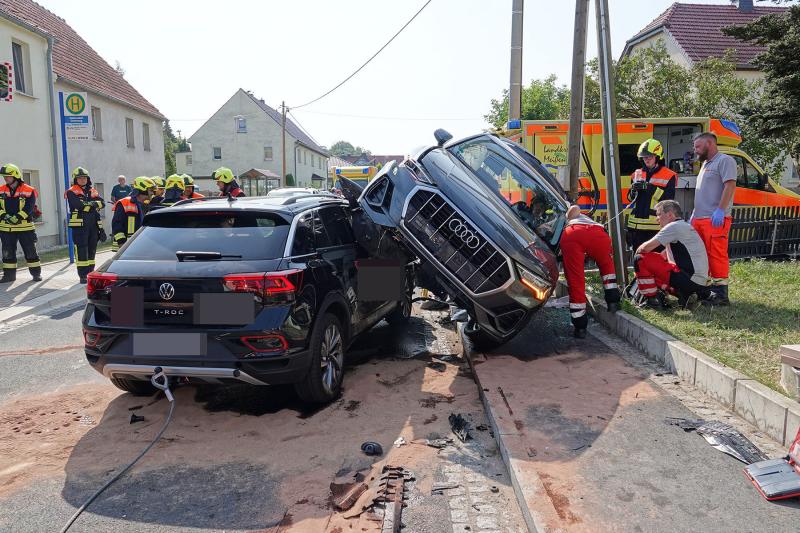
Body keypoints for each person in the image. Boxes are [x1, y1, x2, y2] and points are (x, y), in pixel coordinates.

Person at [634, 200, 710, 309]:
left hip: (690, 279)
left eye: (659, 214)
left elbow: (644, 249)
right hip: (697, 281)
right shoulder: (682, 226)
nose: (657, 219)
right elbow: (663, 257)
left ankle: (653, 301)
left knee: (640, 259)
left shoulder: (673, 227)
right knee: (656, 261)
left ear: (670, 215)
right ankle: (685, 294)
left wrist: (638, 269)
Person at [560, 205, 621, 338]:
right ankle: (613, 302)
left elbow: (574, 208)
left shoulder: (566, 212)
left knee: (575, 280)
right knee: (607, 267)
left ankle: (580, 327)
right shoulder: (590, 220)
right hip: (599, 234)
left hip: (573, 234)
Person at [691, 132, 737, 306]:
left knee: (716, 255)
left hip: (714, 219)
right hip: (700, 218)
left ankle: (720, 294)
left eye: (698, 146)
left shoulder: (724, 161)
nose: (695, 150)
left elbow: (730, 185)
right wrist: (695, 214)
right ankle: (707, 290)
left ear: (710, 143)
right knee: (701, 256)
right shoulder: (705, 164)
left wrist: (720, 210)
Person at [626, 138, 677, 254]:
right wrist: (634, 190)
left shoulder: (669, 175)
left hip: (655, 227)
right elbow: (630, 199)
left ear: (657, 156)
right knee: (638, 260)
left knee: (656, 261)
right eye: (644, 157)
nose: (646, 159)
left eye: (649, 156)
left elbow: (668, 200)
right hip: (636, 227)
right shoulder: (636, 174)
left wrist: (650, 188)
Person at [0, 163, 41, 282]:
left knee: (30, 252)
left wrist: (17, 217)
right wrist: (5, 216)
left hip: (25, 228)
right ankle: (9, 276)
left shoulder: (29, 190)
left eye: (8, 176)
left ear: (16, 175)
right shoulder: (1, 190)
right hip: (6, 228)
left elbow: (29, 207)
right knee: (7, 253)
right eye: (4, 176)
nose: (6, 178)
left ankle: (36, 274)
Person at [65, 167, 105, 282]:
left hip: (93, 225)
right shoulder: (71, 191)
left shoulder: (92, 190)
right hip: (79, 225)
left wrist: (89, 205)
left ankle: (90, 273)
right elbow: (79, 206)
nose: (82, 180)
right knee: (82, 250)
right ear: (75, 179)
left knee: (92, 249)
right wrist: (94, 204)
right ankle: (82, 276)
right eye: (80, 178)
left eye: (84, 178)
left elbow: (102, 203)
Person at [112, 176, 155, 251]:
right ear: (143, 190)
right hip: (126, 247)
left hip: (143, 245)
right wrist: (122, 244)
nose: (152, 193)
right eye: (150, 190)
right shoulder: (124, 203)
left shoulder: (147, 205)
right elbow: (117, 225)